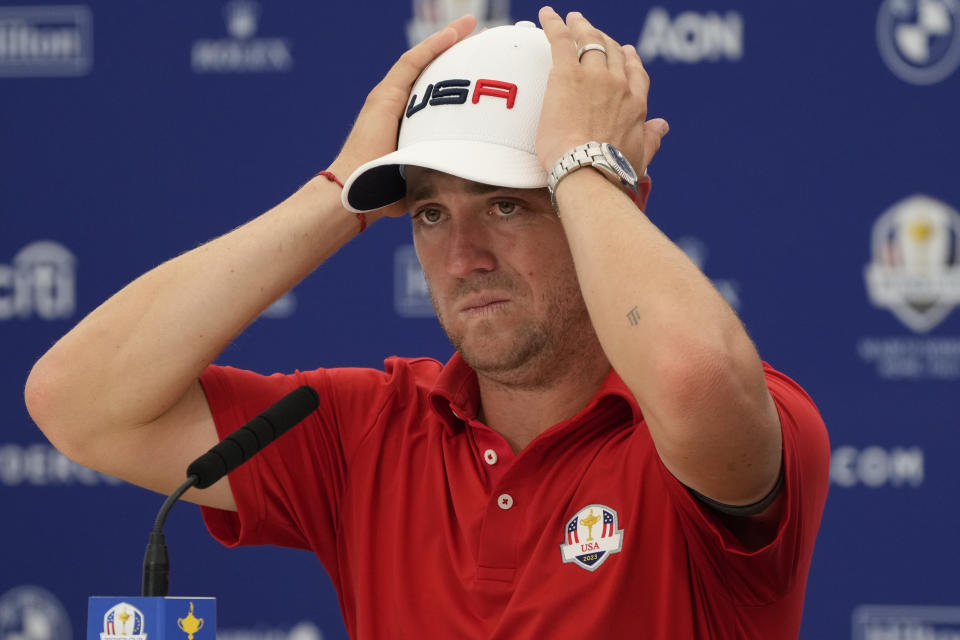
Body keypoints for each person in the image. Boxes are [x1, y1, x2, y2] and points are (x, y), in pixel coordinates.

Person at [25, 8, 830, 639]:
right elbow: (77, 400)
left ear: (610, 206)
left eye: (508, 203)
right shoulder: (365, 431)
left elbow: (690, 377)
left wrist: (585, 168)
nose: (463, 255)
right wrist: (338, 193)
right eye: (431, 212)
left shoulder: (746, 417)